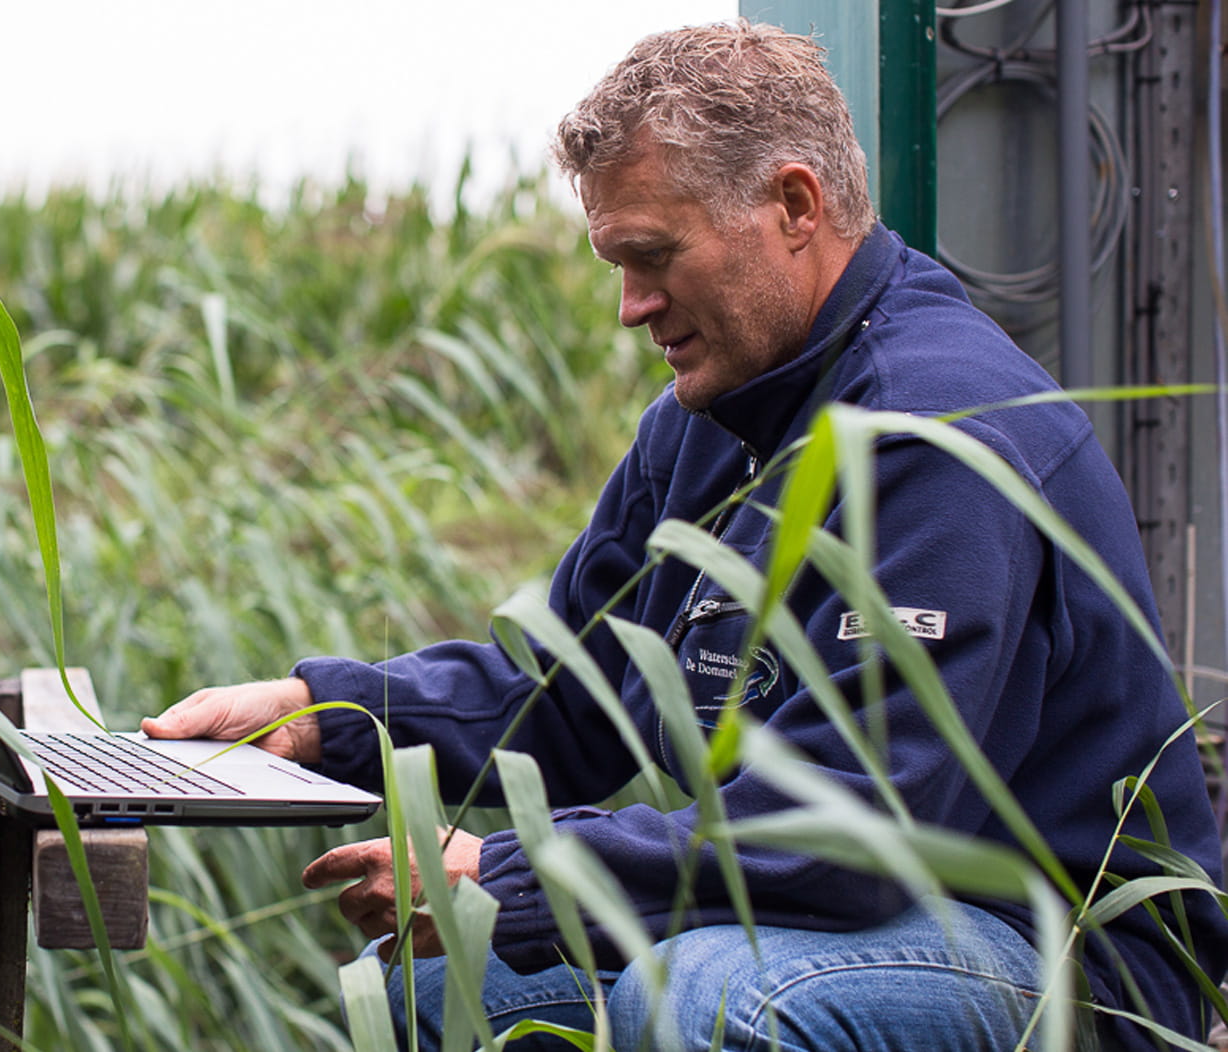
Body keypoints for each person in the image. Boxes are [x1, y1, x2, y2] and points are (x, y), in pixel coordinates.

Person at [143, 19, 1227, 1052]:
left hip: (1061, 948)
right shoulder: (706, 427)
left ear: (793, 204)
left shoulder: (931, 434)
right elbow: (565, 693)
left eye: (652, 254)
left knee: (712, 994)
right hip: (850, 926)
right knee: (434, 979)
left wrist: (513, 872)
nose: (629, 305)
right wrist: (320, 714)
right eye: (615, 260)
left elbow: (851, 835)